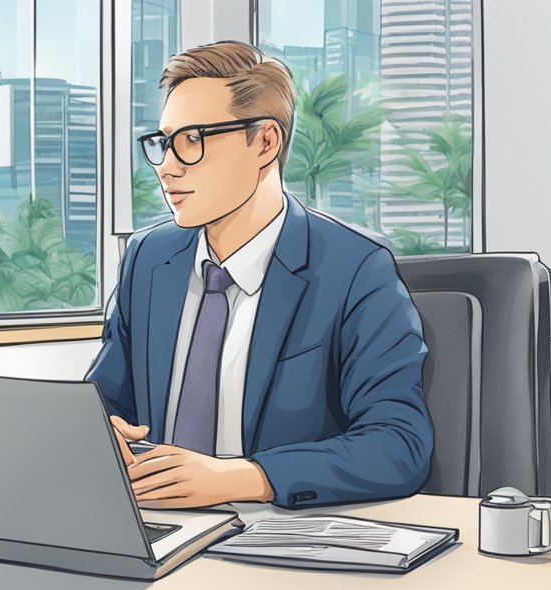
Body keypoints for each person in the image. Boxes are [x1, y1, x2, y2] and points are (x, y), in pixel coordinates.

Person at [87, 41, 433, 509]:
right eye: (164, 143)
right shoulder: (148, 259)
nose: (166, 167)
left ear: (265, 143)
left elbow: (398, 445)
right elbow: (107, 399)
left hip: (281, 530)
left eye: (192, 140)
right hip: (158, 521)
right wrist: (101, 429)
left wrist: (245, 478)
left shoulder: (354, 268)